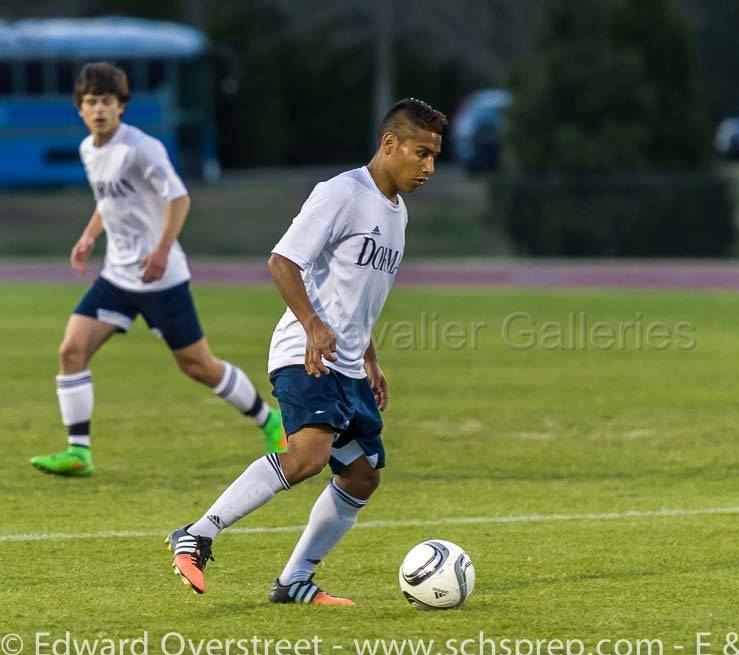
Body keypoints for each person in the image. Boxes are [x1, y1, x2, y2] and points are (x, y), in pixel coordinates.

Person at [166, 98, 446, 605]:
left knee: (362, 476)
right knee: (307, 456)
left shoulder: (398, 214)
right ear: (390, 144)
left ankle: (293, 581)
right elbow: (281, 261)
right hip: (305, 351)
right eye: (421, 153)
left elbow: (359, 294)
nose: (429, 167)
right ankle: (198, 533)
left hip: (348, 361)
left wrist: (371, 357)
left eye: (434, 157)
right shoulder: (341, 192)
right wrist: (313, 325)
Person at [29, 62, 286, 478]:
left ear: (121, 106)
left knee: (198, 366)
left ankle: (268, 419)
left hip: (160, 278)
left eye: (107, 102)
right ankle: (79, 452)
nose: (99, 110)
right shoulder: (88, 150)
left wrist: (163, 249)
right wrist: (88, 236)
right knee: (70, 350)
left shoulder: (141, 148)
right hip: (117, 276)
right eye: (91, 102)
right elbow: (110, 201)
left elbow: (179, 197)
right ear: (79, 108)